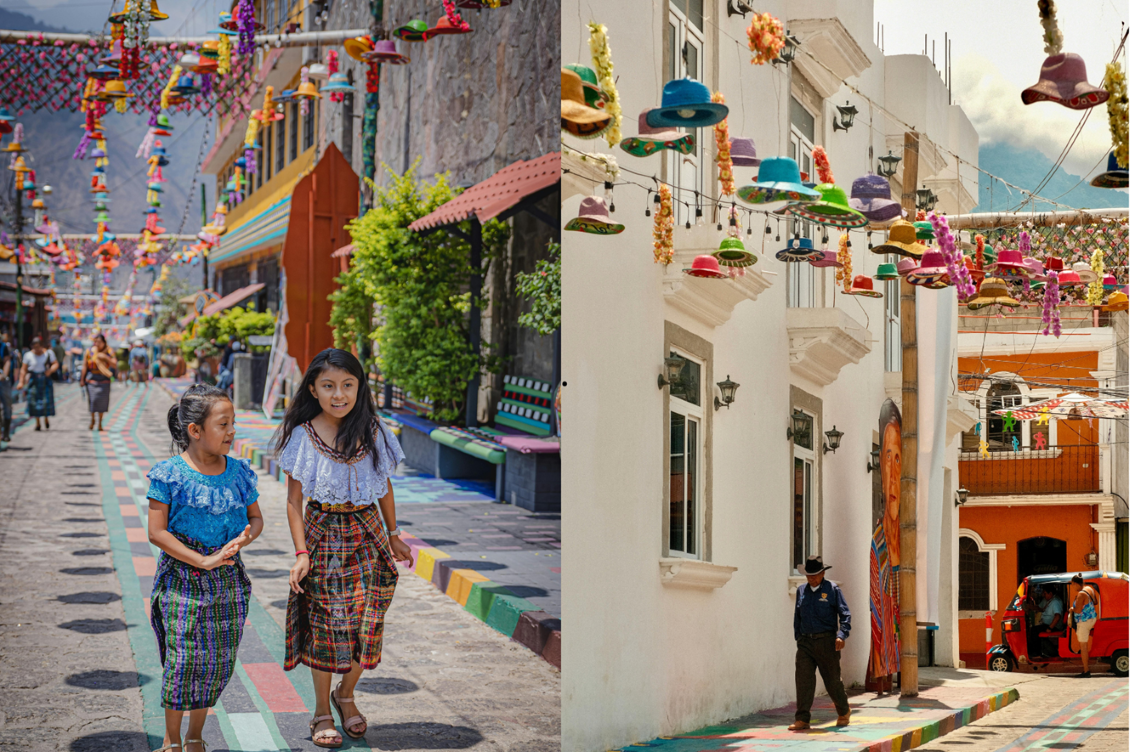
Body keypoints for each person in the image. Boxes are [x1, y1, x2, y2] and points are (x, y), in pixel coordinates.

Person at [274, 348, 414, 748]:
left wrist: (394, 533)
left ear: (359, 387)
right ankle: (322, 710)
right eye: (329, 386)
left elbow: (383, 485)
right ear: (313, 390)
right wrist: (302, 554)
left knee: (369, 621)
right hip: (324, 534)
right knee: (327, 624)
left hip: (368, 531)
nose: (339, 394)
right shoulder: (303, 436)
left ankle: (346, 694)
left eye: (348, 385)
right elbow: (294, 502)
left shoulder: (373, 430)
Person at [146, 384, 262, 752]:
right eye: (223, 424)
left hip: (228, 580)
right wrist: (203, 560)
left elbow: (256, 519)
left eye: (233, 423)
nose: (232, 432)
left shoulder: (239, 472)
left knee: (214, 661)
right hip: (181, 580)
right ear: (195, 430)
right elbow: (156, 532)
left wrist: (243, 539)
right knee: (182, 661)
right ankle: (172, 739)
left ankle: (195, 735)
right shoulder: (169, 474)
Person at [789, 556, 852, 731]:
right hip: (805, 643)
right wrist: (798, 637)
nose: (812, 578)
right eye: (809, 575)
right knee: (803, 681)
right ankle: (802, 719)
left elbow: (845, 614)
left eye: (815, 575)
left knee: (832, 681)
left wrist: (841, 635)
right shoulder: (802, 590)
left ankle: (844, 711)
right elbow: (797, 616)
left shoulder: (832, 590)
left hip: (827, 642)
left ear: (823, 573)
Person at [18, 336, 58, 431]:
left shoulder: (49, 353)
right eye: (34, 347)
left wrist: (50, 371)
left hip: (45, 379)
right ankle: (38, 423)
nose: (36, 349)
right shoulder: (28, 355)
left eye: (38, 347)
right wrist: (21, 382)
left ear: (42, 346)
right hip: (34, 380)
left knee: (46, 401)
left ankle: (46, 419)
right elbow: (23, 369)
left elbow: (55, 364)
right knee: (34, 402)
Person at [80, 334, 116, 431]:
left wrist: (105, 357)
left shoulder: (109, 351)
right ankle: (92, 419)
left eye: (99, 342)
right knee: (93, 400)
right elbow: (85, 366)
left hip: (104, 380)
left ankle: (100, 422)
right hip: (92, 378)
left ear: (104, 343)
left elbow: (114, 364)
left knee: (102, 402)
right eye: (96, 342)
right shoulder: (89, 351)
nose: (97, 344)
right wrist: (82, 379)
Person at [1070, 574, 1100, 677]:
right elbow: (1095, 602)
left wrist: (1071, 609)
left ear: (1075, 583)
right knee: (1084, 645)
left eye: (1072, 585)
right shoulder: (1089, 589)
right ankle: (1086, 669)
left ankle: (1086, 671)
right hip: (1092, 618)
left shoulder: (1081, 594)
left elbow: (1078, 610)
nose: (1073, 587)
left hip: (1084, 622)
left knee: (1083, 647)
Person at [1024, 585, 1064, 662]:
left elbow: (1057, 616)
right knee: (1032, 628)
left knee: (1034, 630)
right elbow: (1039, 608)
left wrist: (1050, 628)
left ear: (1050, 593)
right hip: (1045, 624)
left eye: (1045, 593)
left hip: (1053, 626)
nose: (1043, 595)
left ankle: (1036, 653)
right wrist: (1028, 606)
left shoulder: (1056, 602)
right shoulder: (1047, 600)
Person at [0, 330, 15, 441]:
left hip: (3, 381)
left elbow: (7, 362)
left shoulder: (3, 347)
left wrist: (3, 375)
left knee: (7, 405)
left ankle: (6, 433)